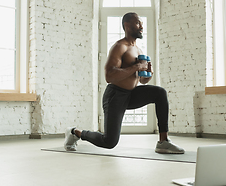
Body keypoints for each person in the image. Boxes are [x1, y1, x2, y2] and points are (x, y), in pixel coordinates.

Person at [64, 12, 184, 154]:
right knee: (109, 142)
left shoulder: (138, 50)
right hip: (115, 95)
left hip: (131, 94)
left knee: (160, 93)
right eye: (138, 23)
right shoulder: (119, 46)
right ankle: (74, 132)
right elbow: (109, 76)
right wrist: (136, 67)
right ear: (127, 25)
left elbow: (142, 81)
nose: (141, 26)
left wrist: (148, 73)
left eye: (141, 24)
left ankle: (163, 142)